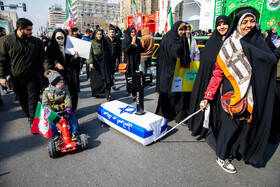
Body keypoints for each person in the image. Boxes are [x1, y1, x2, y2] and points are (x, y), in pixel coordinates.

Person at [200, 10, 277, 173]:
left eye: (252, 21)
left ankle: (237, 151)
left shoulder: (259, 42)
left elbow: (270, 60)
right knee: (230, 126)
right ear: (237, 24)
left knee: (246, 126)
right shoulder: (229, 45)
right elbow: (217, 74)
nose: (249, 25)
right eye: (245, 22)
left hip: (254, 94)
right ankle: (222, 156)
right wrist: (208, 96)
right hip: (232, 94)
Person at [0, 18, 52, 127]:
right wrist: (2, 76)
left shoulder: (36, 42)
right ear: (20, 29)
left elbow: (44, 58)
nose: (31, 32)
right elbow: (2, 60)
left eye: (31, 30)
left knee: (33, 100)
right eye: (28, 30)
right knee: (23, 100)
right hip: (16, 78)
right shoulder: (6, 41)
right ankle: (29, 115)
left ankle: (34, 122)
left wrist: (48, 69)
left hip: (33, 77)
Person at [188, 15, 230, 138]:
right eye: (219, 25)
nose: (222, 27)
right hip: (208, 79)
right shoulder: (212, 41)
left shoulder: (232, 41)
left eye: (224, 24)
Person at [155, 21, 191, 123]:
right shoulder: (170, 39)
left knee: (178, 92)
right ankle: (165, 114)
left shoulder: (180, 39)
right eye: (181, 29)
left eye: (184, 29)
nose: (183, 32)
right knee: (168, 93)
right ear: (176, 29)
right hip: (169, 71)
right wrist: (184, 59)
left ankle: (177, 114)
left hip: (177, 71)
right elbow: (175, 56)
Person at [42, 71, 79, 147]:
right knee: (49, 121)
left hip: (64, 111)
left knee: (72, 116)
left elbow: (68, 99)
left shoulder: (65, 89)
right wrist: (51, 113)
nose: (62, 84)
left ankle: (74, 132)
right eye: (59, 83)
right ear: (53, 84)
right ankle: (56, 136)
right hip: (54, 113)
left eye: (62, 82)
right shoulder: (46, 92)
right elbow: (45, 104)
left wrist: (68, 108)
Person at [46, 29, 80, 111]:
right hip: (59, 72)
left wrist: (75, 57)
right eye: (58, 38)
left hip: (70, 71)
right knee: (60, 90)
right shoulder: (51, 47)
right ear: (55, 38)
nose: (60, 40)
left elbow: (73, 59)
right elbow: (49, 58)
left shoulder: (70, 45)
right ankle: (61, 109)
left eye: (62, 38)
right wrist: (56, 64)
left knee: (72, 90)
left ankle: (72, 109)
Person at [88, 29, 113, 101]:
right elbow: (89, 53)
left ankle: (108, 95)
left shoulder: (105, 41)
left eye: (100, 34)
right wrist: (90, 62)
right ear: (95, 35)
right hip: (96, 63)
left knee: (106, 78)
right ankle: (97, 92)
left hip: (105, 62)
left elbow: (109, 51)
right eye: (98, 34)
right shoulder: (92, 42)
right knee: (97, 80)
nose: (99, 36)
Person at [121, 26, 143, 100]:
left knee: (134, 77)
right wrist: (131, 44)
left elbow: (141, 49)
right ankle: (128, 88)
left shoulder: (137, 40)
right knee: (128, 77)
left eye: (134, 32)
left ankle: (134, 93)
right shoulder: (125, 40)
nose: (133, 34)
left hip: (135, 62)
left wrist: (136, 45)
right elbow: (126, 50)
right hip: (128, 62)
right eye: (132, 32)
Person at [104, 25, 122, 90]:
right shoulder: (105, 39)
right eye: (110, 32)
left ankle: (112, 82)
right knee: (108, 73)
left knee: (113, 71)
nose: (112, 33)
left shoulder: (117, 39)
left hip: (114, 58)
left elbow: (119, 48)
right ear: (108, 33)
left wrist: (119, 57)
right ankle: (111, 85)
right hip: (107, 59)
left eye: (113, 32)